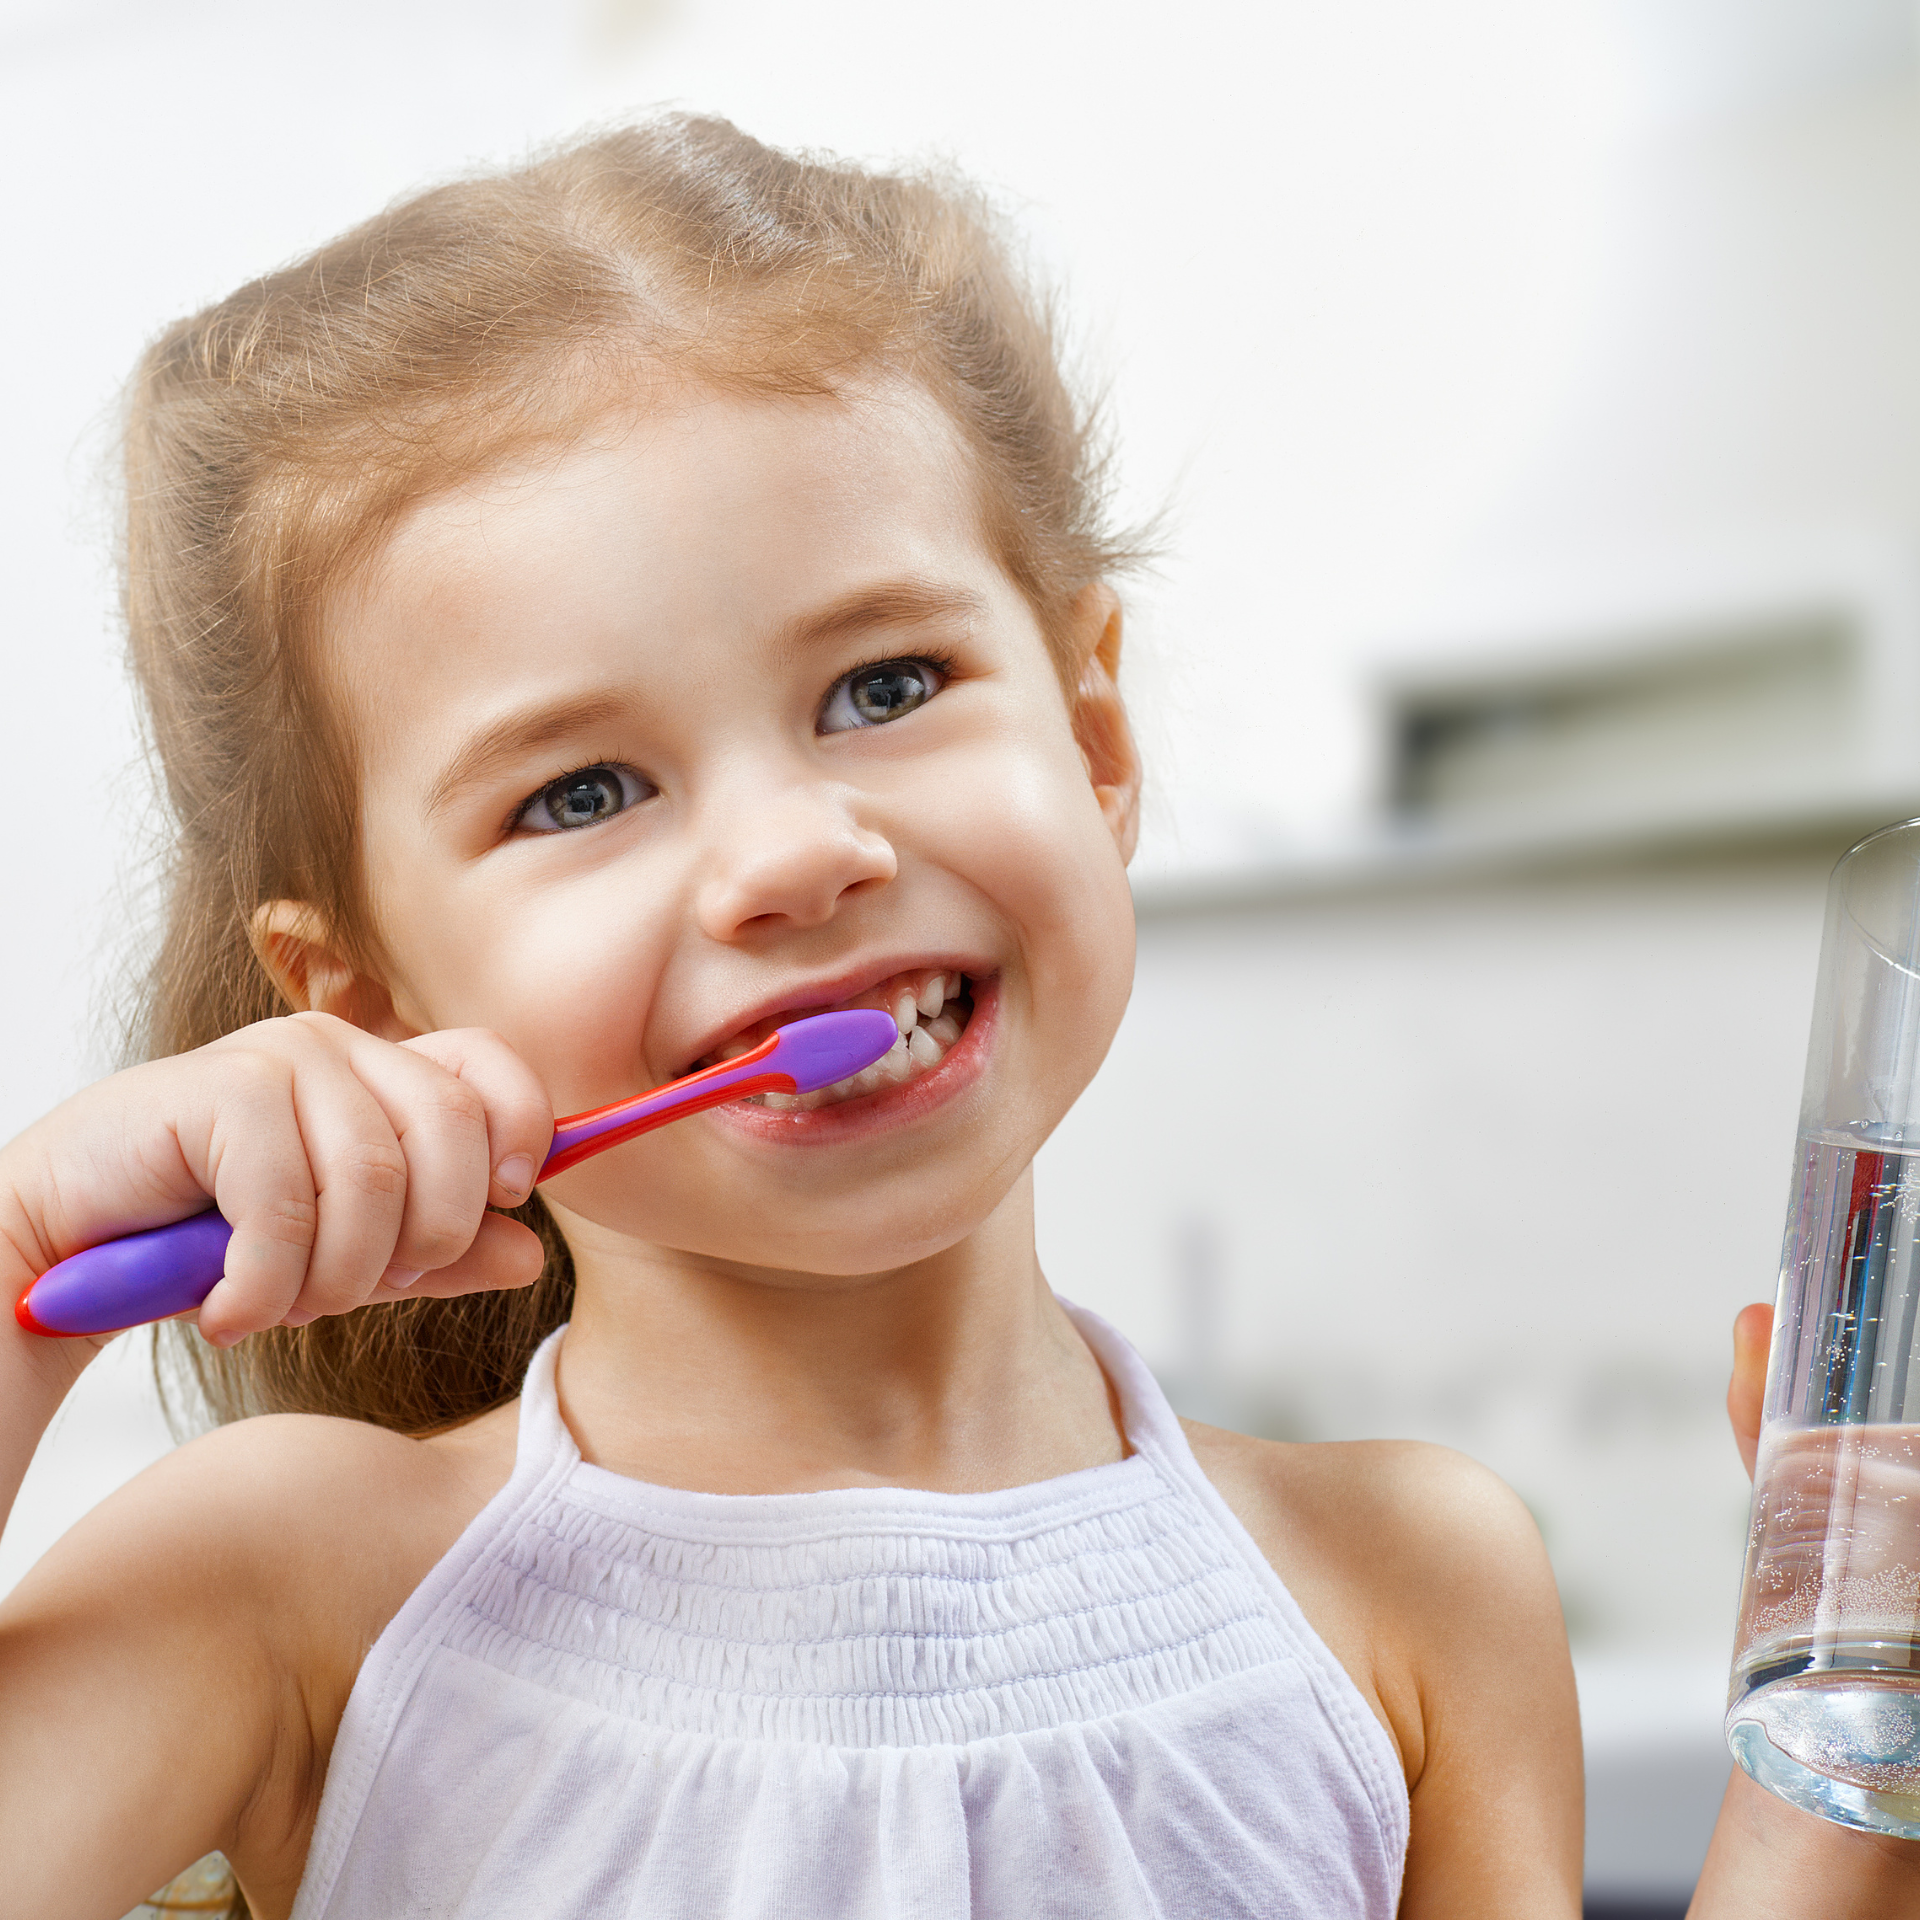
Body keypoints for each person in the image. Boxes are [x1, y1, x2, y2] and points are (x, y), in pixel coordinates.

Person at [0, 115, 1905, 1920]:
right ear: (366, 999)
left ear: (1094, 742)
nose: (795, 854)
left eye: (885, 681)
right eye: (580, 792)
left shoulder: (1412, 1580)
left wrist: (1871, 1665)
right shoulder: (286, 1582)